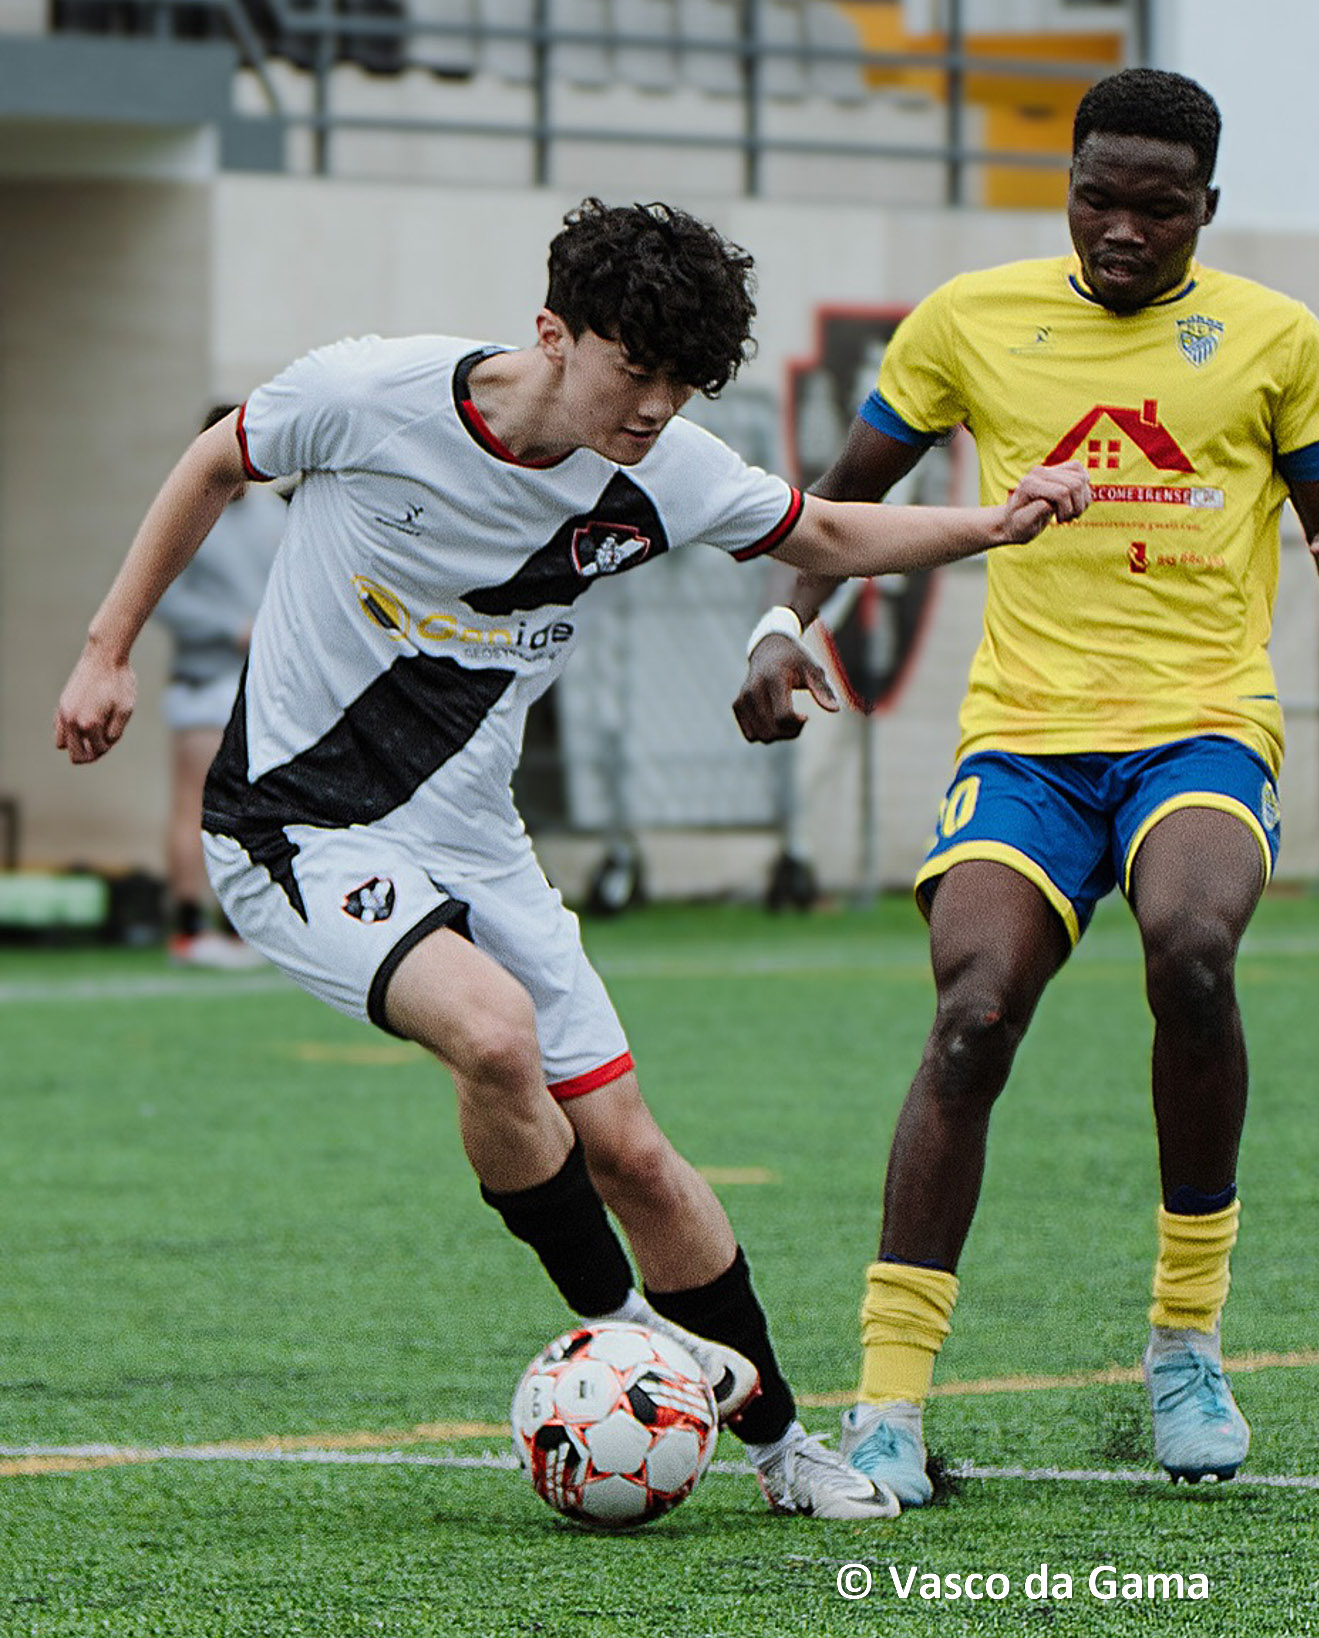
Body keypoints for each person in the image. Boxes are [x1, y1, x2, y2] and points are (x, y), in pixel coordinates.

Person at [54, 198, 1089, 1523]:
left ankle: (782, 1449)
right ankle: (628, 1342)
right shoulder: (372, 394)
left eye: (681, 382)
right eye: (633, 370)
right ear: (552, 333)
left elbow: (824, 533)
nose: (655, 406)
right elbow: (216, 459)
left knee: (637, 1155)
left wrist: (993, 525)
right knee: (491, 1034)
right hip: (294, 825)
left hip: (478, 841)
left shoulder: (666, 471)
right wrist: (105, 647)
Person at [732, 68, 1319, 1505]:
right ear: (1071, 185)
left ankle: (1184, 1341)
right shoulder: (970, 318)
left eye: (1158, 208)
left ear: (1204, 211)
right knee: (971, 1015)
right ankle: (892, 1404)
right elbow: (843, 504)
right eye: (1098, 195)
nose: (1121, 229)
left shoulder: (1276, 340)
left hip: (1203, 723)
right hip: (1026, 738)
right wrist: (787, 625)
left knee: (1195, 952)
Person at [153, 404, 287, 968]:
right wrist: (231, 629)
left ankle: (240, 929)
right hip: (204, 679)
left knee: (250, 809)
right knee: (194, 803)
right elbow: (163, 595)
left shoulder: (274, 516)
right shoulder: (183, 508)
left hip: (262, 687)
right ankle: (188, 926)